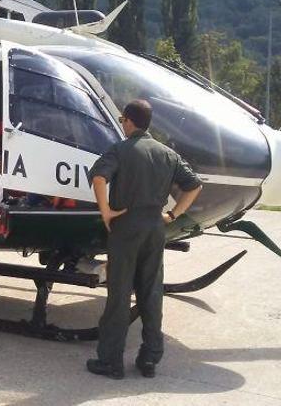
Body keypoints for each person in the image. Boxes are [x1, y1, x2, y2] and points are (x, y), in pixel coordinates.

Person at [86, 99, 203, 380]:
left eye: (122, 120)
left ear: (128, 121)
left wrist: (106, 212)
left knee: (119, 295)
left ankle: (110, 361)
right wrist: (173, 215)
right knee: (151, 293)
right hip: (154, 228)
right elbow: (194, 185)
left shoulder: (121, 150)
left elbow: (99, 178)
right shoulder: (167, 154)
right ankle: (149, 359)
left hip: (125, 227)